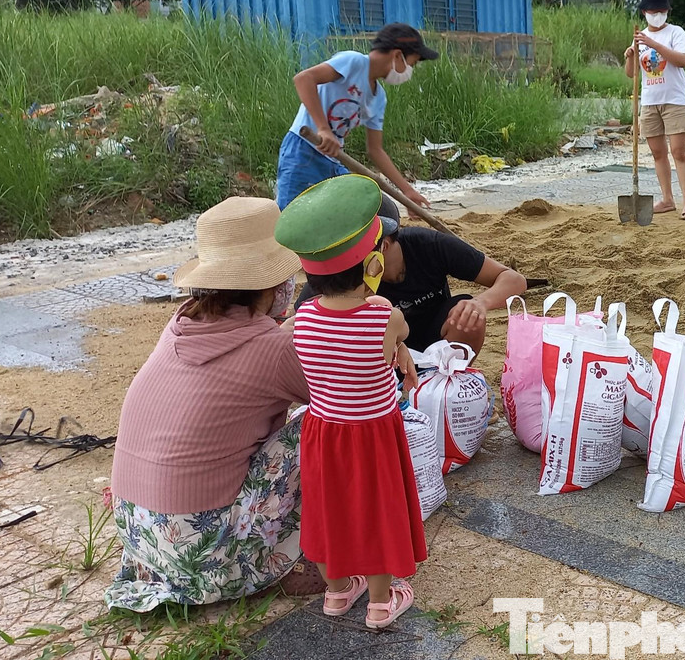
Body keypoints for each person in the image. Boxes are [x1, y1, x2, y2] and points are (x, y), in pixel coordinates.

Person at [108, 197, 310, 612]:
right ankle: (285, 560)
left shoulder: (180, 323)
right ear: (273, 284)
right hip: (202, 556)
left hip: (140, 535)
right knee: (319, 425)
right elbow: (342, 393)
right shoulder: (272, 349)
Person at [274, 174, 427, 630]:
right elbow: (398, 332)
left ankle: (338, 592)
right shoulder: (385, 316)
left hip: (323, 432)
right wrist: (392, 331)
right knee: (377, 514)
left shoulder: (303, 318)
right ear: (373, 265)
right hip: (374, 433)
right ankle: (380, 602)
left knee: (327, 511)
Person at [294, 196, 525, 355]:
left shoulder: (429, 245)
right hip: (380, 356)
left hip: (436, 341)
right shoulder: (344, 271)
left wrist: (480, 303)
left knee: (467, 314)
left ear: (383, 245)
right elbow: (302, 319)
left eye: (355, 248)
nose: (350, 256)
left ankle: (445, 388)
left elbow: (514, 280)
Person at [276, 23, 438, 211]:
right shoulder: (353, 62)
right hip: (303, 151)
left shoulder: (378, 98)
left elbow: (375, 150)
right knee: (291, 213)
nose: (411, 70)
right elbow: (304, 79)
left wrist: (407, 191)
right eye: (412, 63)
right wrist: (323, 128)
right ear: (397, 55)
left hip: (333, 160)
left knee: (369, 210)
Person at [624, 0, 685, 221]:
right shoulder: (639, 37)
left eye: (661, 11)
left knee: (678, 151)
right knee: (658, 152)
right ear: (644, 12)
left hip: (674, 100)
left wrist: (653, 44)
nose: (657, 15)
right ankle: (667, 199)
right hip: (650, 101)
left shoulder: (676, 33)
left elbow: (682, 60)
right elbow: (632, 74)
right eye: (653, 11)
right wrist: (630, 56)